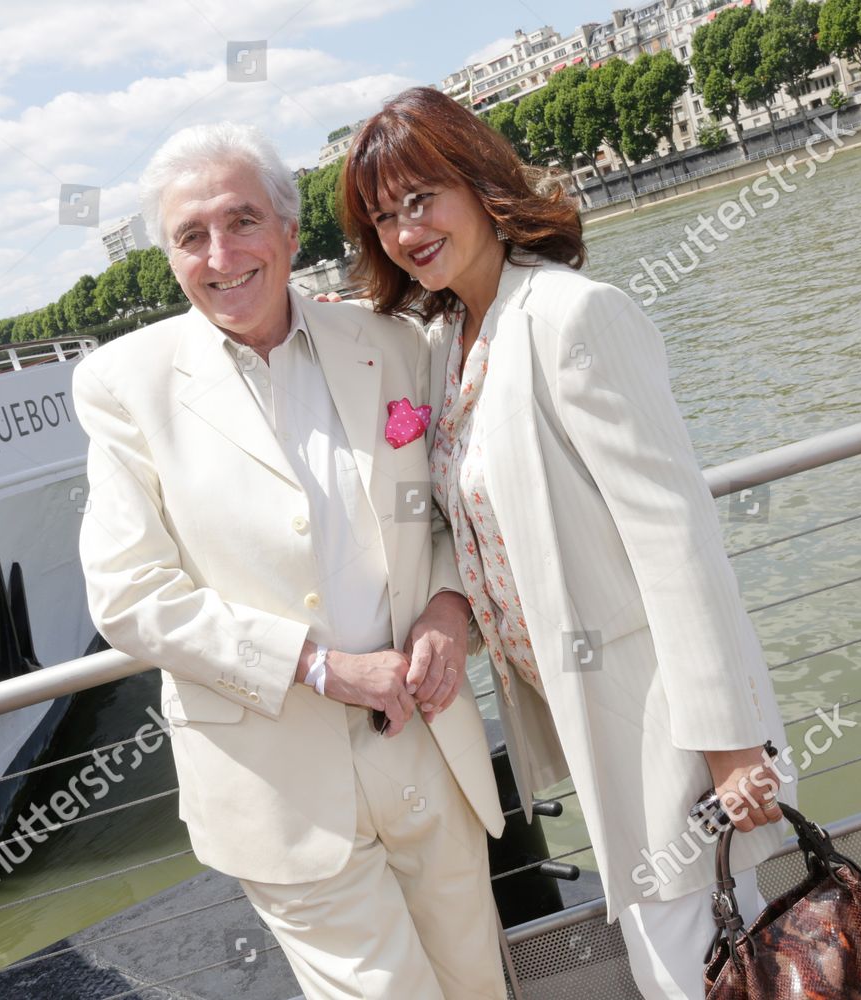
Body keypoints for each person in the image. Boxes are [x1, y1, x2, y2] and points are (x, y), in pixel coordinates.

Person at [337, 88, 794, 1000]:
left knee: (688, 961)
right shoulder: (449, 341)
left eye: (423, 197)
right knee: (693, 960)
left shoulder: (574, 317)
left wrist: (733, 744)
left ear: (478, 182)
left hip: (660, 712)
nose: (405, 231)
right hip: (586, 714)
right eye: (383, 216)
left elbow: (677, 538)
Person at [73, 121, 508, 1000]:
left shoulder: (392, 342)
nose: (220, 253)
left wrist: (450, 610)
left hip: (425, 739)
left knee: (477, 983)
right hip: (275, 784)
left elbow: (453, 514)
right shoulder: (123, 384)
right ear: (170, 257)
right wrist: (317, 666)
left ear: (288, 229)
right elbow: (128, 594)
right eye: (191, 237)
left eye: (241, 222)